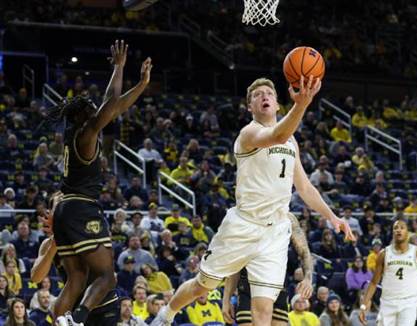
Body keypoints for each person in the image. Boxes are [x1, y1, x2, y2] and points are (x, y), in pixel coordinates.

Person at [151, 77, 354, 326]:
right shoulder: (249, 133)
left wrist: (332, 217)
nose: (264, 96)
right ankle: (165, 316)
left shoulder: (292, 143)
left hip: (276, 231)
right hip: (243, 225)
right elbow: (277, 135)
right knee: (202, 286)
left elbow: (304, 187)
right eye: (257, 95)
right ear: (250, 107)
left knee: (263, 309)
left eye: (269, 93)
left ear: (278, 104)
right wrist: (302, 104)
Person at [48, 40, 151, 326]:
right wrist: (132, 78)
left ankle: (60, 321)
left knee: (77, 276)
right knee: (107, 276)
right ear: (83, 115)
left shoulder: (75, 134)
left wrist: (128, 76)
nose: (97, 110)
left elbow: (110, 104)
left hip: (64, 210)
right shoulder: (86, 133)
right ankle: (77, 320)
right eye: (92, 108)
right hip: (81, 208)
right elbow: (112, 106)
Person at [31, 192, 119, 326]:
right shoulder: (47, 244)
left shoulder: (91, 231)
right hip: (73, 307)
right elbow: (36, 277)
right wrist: (55, 243)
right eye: (61, 204)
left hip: (104, 304)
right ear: (52, 212)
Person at [222, 212, 313, 326]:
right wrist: (226, 299)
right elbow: (235, 262)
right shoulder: (243, 216)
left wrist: (308, 278)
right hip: (248, 282)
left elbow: (304, 251)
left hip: (276, 282)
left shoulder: (287, 217)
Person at [359, 219, 417, 326]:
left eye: (402, 227)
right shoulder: (384, 253)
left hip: (409, 302)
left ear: (407, 232)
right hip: (387, 302)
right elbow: (373, 282)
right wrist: (363, 306)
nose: (398, 230)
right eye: (396, 228)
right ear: (393, 232)